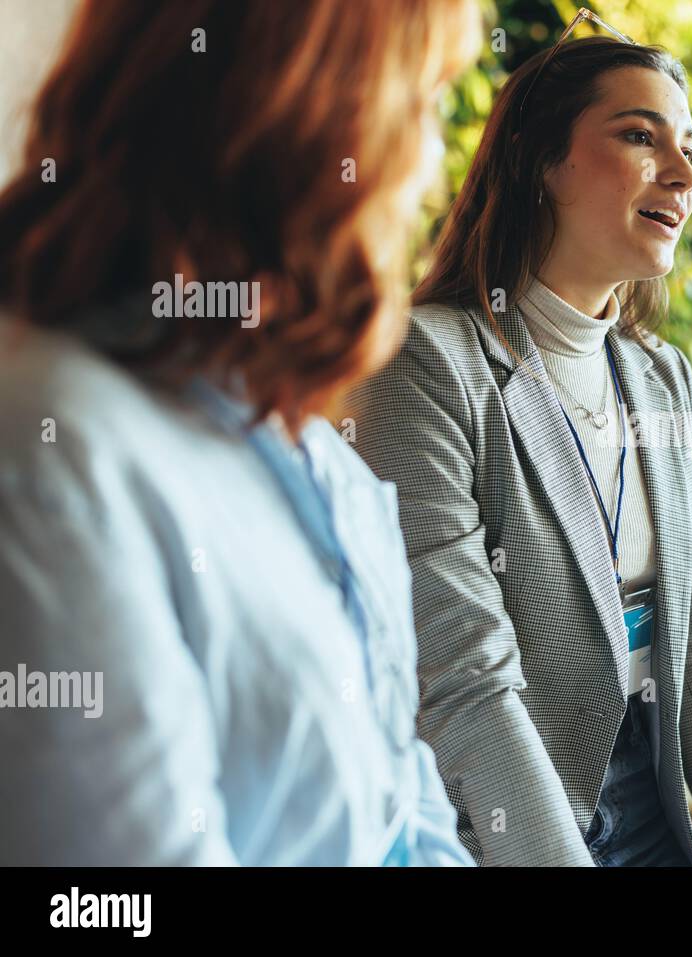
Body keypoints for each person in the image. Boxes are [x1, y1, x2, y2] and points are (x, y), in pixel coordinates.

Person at [0, 0, 481, 865]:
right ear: (306, 119)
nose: (433, 162)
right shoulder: (54, 453)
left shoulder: (320, 461)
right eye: (424, 102)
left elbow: (406, 812)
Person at [348, 23, 692, 867]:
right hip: (508, 817)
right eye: (640, 136)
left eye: (688, 148)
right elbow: (466, 684)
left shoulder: (663, 378)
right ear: (544, 162)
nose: (684, 174)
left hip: (649, 798)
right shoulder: (425, 360)